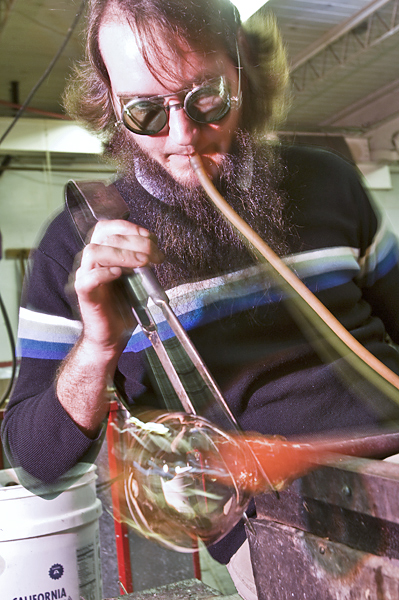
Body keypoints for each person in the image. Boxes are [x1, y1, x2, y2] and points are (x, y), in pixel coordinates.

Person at [3, 1, 399, 598]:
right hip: (282, 527)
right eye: (144, 111)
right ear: (111, 102)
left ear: (243, 69)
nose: (184, 137)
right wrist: (97, 345)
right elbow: (38, 467)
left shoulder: (330, 180)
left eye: (206, 97)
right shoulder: (77, 244)